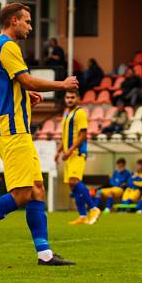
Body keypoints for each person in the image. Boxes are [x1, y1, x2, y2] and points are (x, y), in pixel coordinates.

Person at [0, 2, 78, 267]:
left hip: (13, 128)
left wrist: (19, 93)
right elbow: (27, 80)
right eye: (27, 21)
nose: (30, 27)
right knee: (21, 193)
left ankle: (44, 254)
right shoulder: (8, 47)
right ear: (13, 21)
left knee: (36, 190)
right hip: (13, 129)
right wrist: (62, 85)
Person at [56, 89, 100, 226]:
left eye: (72, 97)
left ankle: (94, 208)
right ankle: (82, 215)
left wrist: (70, 150)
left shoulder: (80, 113)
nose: (69, 99)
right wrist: (58, 151)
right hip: (69, 153)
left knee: (74, 181)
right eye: (67, 97)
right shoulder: (67, 113)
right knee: (71, 184)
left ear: (78, 99)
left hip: (77, 153)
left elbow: (82, 135)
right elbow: (65, 135)